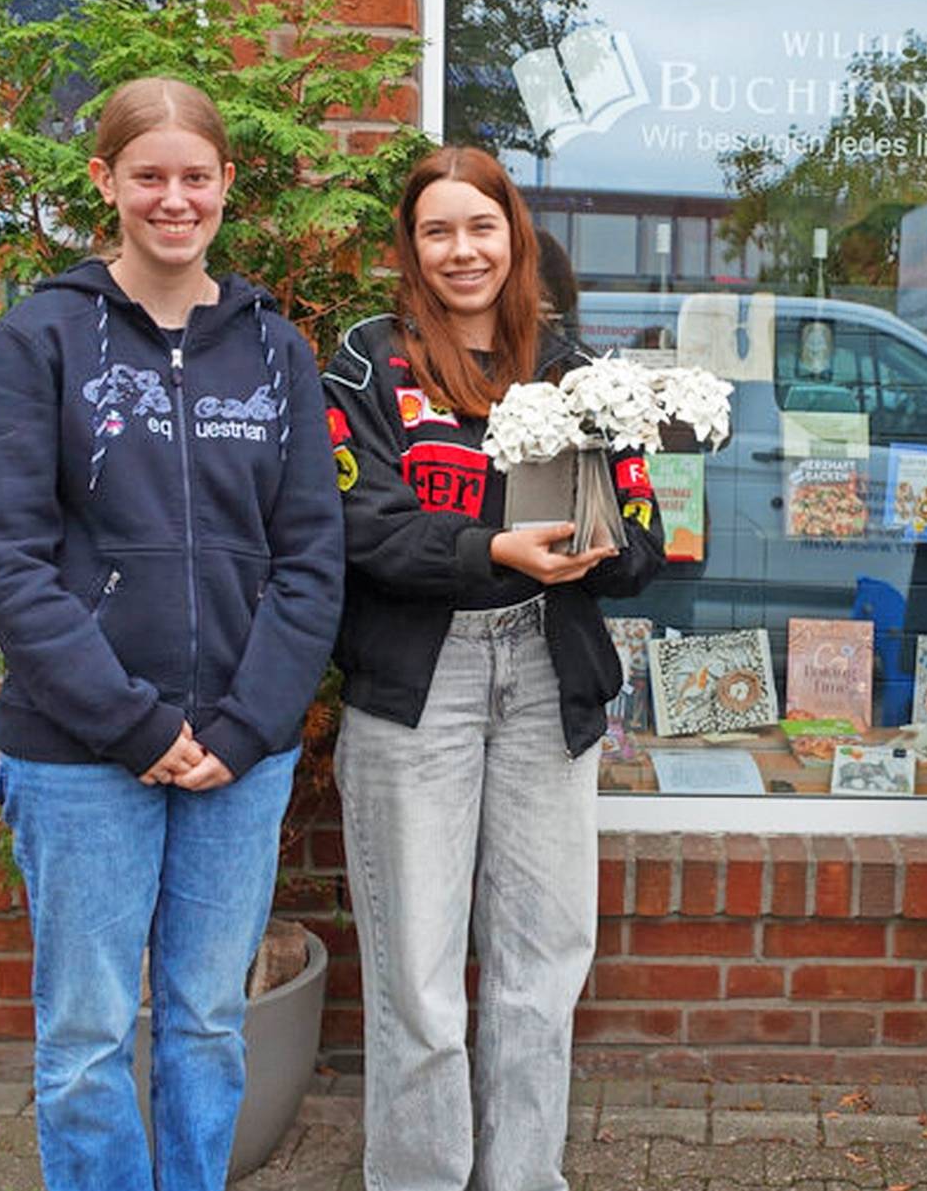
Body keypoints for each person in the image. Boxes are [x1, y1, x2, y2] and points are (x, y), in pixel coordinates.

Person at [0, 76, 344, 1191]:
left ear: (227, 183)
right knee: (84, 1036)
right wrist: (134, 722)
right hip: (79, 750)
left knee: (207, 1021)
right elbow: (13, 561)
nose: (172, 199)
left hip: (240, 750)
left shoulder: (277, 351)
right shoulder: (42, 337)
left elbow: (312, 560)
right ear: (106, 183)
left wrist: (247, 721)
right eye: (148, 176)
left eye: (194, 176)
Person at [322, 145, 665, 1191]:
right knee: (418, 971)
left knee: (541, 962)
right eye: (438, 229)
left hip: (544, 671)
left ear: (514, 237)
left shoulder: (574, 369)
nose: (462, 249)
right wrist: (488, 551)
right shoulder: (363, 363)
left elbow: (643, 533)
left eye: (482, 226)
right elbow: (354, 523)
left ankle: (523, 1177)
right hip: (413, 682)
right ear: (411, 246)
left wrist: (610, 541)